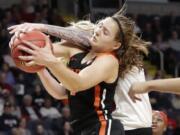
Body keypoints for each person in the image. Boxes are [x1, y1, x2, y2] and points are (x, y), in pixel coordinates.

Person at [8, 5, 152, 135]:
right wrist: (33, 60)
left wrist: (48, 58)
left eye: (105, 32)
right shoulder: (77, 53)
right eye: (100, 26)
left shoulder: (109, 61)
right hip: (82, 129)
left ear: (116, 45)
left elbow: (77, 83)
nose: (97, 31)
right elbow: (61, 92)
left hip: (103, 127)